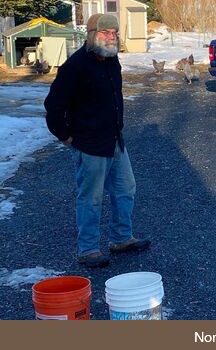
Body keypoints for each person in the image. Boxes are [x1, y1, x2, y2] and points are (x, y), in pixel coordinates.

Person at [44, 14, 150, 268]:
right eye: (105, 33)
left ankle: (121, 238)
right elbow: (54, 107)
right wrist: (66, 136)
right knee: (90, 198)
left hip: (114, 141)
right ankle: (88, 250)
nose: (111, 37)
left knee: (126, 189)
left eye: (114, 32)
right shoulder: (75, 66)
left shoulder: (112, 62)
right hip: (90, 144)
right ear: (92, 34)